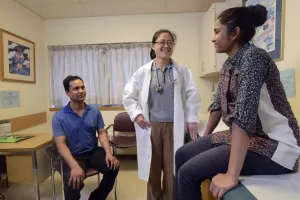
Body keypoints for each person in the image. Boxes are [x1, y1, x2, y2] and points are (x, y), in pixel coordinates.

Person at [175, 4, 300, 200]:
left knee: (187, 173)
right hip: (249, 138)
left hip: (276, 147)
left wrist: (232, 175)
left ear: (235, 33)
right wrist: (204, 138)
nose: (212, 38)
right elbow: (217, 104)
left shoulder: (254, 58)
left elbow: (244, 117)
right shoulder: (228, 64)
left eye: (217, 32)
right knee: (182, 154)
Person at [123, 29, 201, 200]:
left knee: (172, 169)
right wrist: (136, 114)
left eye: (170, 42)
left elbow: (192, 96)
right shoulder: (142, 72)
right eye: (162, 42)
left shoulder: (182, 72)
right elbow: (129, 96)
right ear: (153, 46)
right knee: (152, 169)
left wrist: (193, 119)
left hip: (175, 126)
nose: (166, 45)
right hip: (151, 127)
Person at [52, 75, 119, 200]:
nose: (81, 91)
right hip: (73, 156)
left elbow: (102, 132)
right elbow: (60, 144)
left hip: (93, 152)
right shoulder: (59, 117)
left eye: (82, 87)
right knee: (72, 184)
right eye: (76, 88)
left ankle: (96, 197)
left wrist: (108, 153)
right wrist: (74, 166)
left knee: (113, 167)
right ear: (67, 93)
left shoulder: (94, 111)